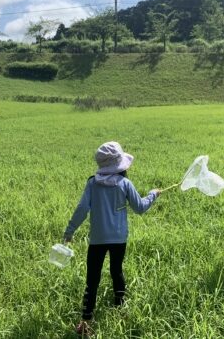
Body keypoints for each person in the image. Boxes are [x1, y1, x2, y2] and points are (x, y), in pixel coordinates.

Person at [63, 141, 161, 336]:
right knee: (117, 272)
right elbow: (140, 207)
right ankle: (120, 308)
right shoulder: (125, 183)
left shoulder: (92, 183)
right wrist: (152, 195)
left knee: (92, 279)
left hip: (97, 239)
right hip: (118, 238)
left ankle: (86, 320)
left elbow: (82, 209)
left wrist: (70, 230)